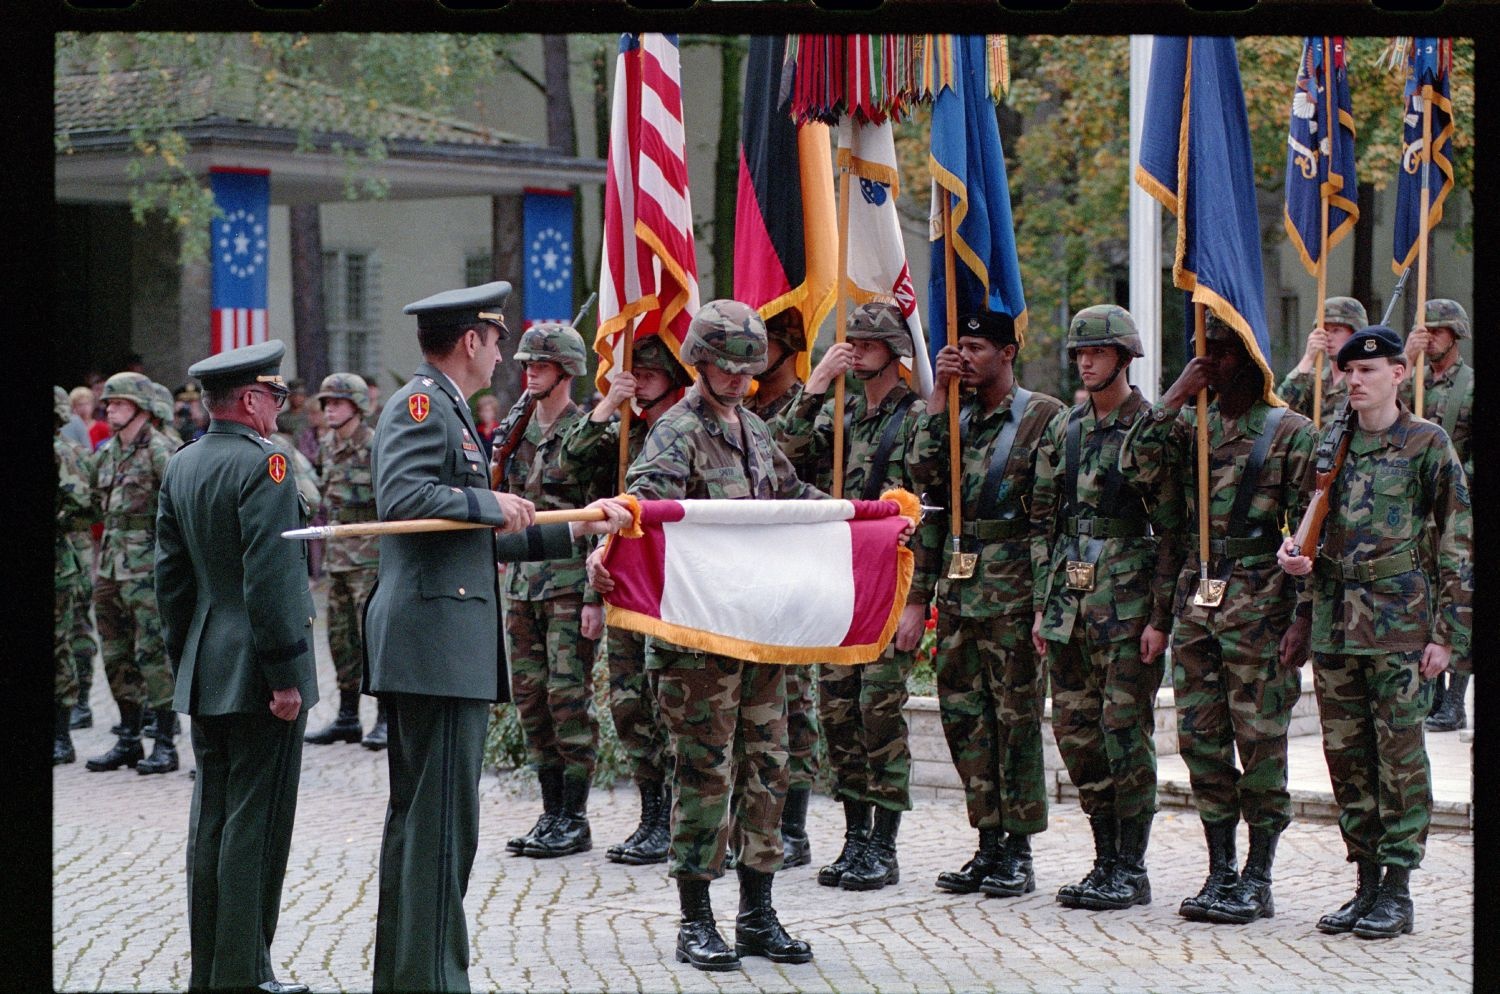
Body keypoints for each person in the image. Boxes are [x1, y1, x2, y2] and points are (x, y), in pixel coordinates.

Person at [361, 281, 630, 992]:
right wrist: (491, 502)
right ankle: (430, 981)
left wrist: (574, 527)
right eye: (496, 337)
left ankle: (409, 975)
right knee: (440, 827)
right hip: (434, 645)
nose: (504, 352)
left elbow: (467, 539)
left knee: (432, 824)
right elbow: (405, 501)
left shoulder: (445, 408)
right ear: (471, 340)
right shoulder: (423, 404)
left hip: (437, 641)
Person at [609, 299, 825, 972]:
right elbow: (650, 513)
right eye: (725, 368)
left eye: (747, 369)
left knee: (768, 767)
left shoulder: (755, 431)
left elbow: (791, 500)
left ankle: (758, 914)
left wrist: (869, 521)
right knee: (704, 773)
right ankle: (696, 919)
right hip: (698, 640)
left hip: (757, 632)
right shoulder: (676, 433)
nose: (737, 378)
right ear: (698, 362)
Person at [1278, 324, 1471, 940]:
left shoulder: (1427, 444)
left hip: (1398, 625)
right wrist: (1297, 569)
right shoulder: (1329, 446)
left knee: (1400, 761)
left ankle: (1397, 888)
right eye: (1348, 371)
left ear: (1399, 374)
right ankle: (1364, 882)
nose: (1355, 381)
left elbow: (1460, 543)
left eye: (1369, 370)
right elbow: (1308, 528)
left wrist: (1448, 634)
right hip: (1336, 625)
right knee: (1348, 761)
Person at [1123, 314, 1316, 924]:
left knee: (1260, 742)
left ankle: (1257, 877)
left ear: (1252, 359)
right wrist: (1175, 394)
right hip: (1196, 600)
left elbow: (1314, 536)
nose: (1211, 362)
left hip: (1260, 600)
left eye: (1224, 352)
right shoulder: (1187, 426)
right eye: (1202, 352)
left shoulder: (1289, 432)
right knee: (1201, 741)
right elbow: (1133, 468)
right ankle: (1220, 870)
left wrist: (1302, 620)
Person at [154, 340, 319, 994]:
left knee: (212, 822)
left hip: (207, 662)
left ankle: (213, 972)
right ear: (250, 400)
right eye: (274, 396)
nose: (279, 408)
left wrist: (188, 659)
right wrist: (284, 676)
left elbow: (170, 581)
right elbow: (272, 579)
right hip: (256, 671)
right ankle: (244, 975)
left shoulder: (182, 464)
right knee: (256, 823)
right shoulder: (269, 463)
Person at [773, 299, 931, 892]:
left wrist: (920, 599)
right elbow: (776, 453)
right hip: (838, 580)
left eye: (870, 341)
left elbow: (932, 510)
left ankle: (883, 846)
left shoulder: (916, 418)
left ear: (896, 351)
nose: (857, 347)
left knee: (878, 711)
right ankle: (854, 835)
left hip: (890, 582)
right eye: (854, 340)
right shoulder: (836, 416)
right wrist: (815, 386)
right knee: (838, 710)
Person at [906, 311, 1064, 900]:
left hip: (1015, 592)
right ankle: (987, 842)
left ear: (1007, 353)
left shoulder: (1043, 416)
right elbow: (922, 476)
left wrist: (1047, 602)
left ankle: (1018, 851)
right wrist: (939, 395)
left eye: (975, 348)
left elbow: (1051, 516)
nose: (964, 357)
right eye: (958, 347)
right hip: (960, 587)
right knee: (965, 719)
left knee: (1014, 722)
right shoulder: (957, 416)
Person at [1030, 305, 1181, 912]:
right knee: (1076, 734)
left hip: (1127, 606)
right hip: (1070, 604)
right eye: (1079, 354)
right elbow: (1045, 521)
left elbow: (1171, 530)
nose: (1085, 361)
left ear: (1124, 356)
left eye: (1096, 352)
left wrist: (1160, 618)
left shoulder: (1150, 427)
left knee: (1124, 735)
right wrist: (1045, 605)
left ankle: (1131, 866)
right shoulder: (1067, 427)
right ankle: (1103, 859)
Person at [559, 334, 690, 866]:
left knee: (675, 705)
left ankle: (689, 820)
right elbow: (566, 467)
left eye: (650, 374)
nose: (638, 382)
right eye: (631, 373)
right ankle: (652, 816)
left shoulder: (686, 431)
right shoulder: (622, 431)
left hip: (675, 587)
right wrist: (609, 404)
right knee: (630, 703)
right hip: (623, 583)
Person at [491, 322, 609, 859]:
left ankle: (574, 817)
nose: (529, 371)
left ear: (567, 371)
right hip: (522, 585)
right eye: (525, 364)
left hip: (567, 583)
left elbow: (602, 522)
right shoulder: (515, 433)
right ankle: (549, 812)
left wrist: (593, 598)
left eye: (540, 364)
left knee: (568, 699)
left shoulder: (589, 434)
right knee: (531, 699)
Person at [744, 307, 820, 867]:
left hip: (793, 568)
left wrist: (814, 390)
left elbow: (779, 458)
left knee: (793, 701)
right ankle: (752, 821)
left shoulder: (811, 407)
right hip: (748, 572)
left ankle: (793, 826)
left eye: (764, 343)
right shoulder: (741, 408)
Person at [85, 370, 180, 776]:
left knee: (153, 652)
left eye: (119, 403)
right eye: (108, 403)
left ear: (139, 408)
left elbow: (180, 509)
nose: (111, 409)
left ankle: (163, 741)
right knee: (116, 652)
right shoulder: (106, 454)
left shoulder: (161, 451)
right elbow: (91, 503)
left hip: (147, 568)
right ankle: (128, 738)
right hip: (109, 566)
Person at [1401, 298, 1474, 732]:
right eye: (1424, 330)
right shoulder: (1416, 384)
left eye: (1437, 332)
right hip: (1416, 512)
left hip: (1459, 507)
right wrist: (1406, 360)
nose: (1429, 338)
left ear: (1455, 335)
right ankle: (1432, 693)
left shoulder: (1469, 386)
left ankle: (1455, 700)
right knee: (1425, 595)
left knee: (1462, 596)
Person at [303, 373, 381, 748]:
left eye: (336, 403)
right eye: (326, 403)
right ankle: (348, 717)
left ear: (358, 407)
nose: (329, 409)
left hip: (369, 556)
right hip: (337, 558)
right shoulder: (327, 444)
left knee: (374, 638)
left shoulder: (374, 445)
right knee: (340, 639)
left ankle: (385, 717)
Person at [55, 387, 92, 764]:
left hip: (60, 564)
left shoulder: (64, 452)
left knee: (60, 643)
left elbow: (84, 504)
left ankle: (61, 734)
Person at [1277, 296, 1366, 426]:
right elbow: (1281, 408)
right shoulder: (1313, 380)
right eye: (1324, 330)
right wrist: (1309, 357)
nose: (1327, 337)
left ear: (1356, 334)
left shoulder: (1364, 381)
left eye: (1336, 330)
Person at [473, 392, 503, 458]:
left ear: (494, 412)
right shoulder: (474, 430)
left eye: (487, 411)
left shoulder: (501, 430)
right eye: (481, 411)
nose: (484, 414)